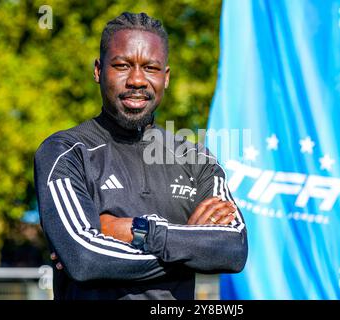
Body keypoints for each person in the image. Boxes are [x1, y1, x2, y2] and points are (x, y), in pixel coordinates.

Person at [34, 12, 247, 300]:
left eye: (150, 67)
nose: (136, 79)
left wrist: (139, 231)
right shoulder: (65, 152)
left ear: (166, 77)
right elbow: (84, 260)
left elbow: (233, 249)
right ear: (98, 71)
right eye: (122, 66)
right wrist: (191, 242)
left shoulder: (198, 161)